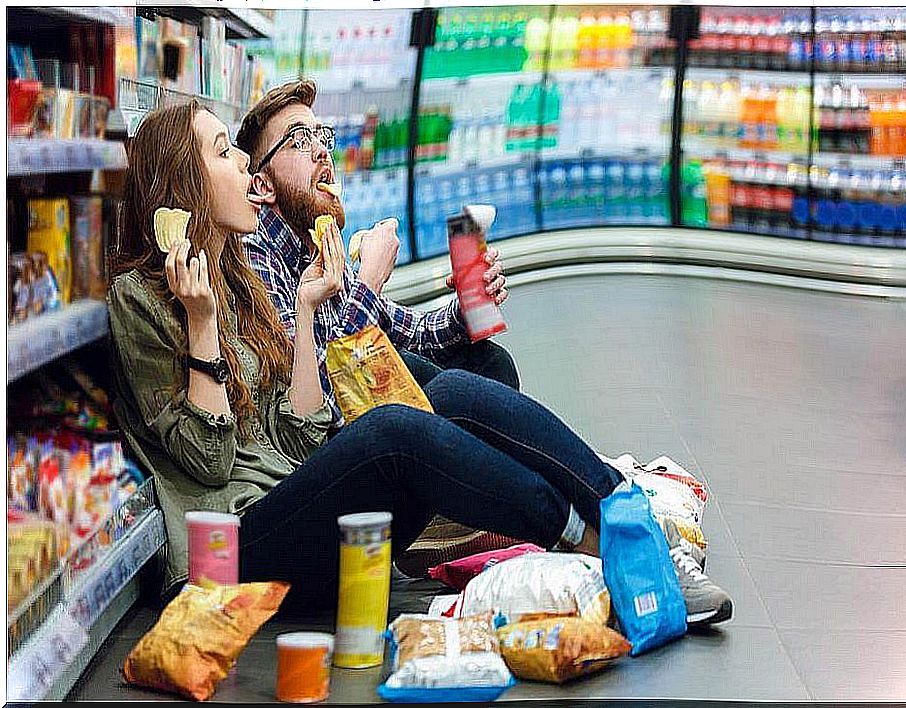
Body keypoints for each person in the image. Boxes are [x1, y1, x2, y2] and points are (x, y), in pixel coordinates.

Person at [107, 101, 732, 626]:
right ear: (183, 183)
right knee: (400, 427)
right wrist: (203, 325)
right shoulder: (145, 298)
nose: (241, 163)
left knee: (455, 385)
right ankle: (611, 548)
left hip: (300, 505)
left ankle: (622, 520)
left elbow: (298, 435)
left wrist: (307, 312)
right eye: (223, 152)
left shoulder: (235, 278)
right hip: (230, 555)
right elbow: (210, 464)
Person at [234, 80, 519, 431]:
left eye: (321, 137)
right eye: (299, 140)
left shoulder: (320, 242)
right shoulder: (255, 257)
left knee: (490, 362)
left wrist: (465, 306)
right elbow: (321, 399)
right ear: (263, 185)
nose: (322, 151)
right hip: (339, 443)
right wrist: (369, 281)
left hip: (369, 415)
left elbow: (410, 331)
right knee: (450, 389)